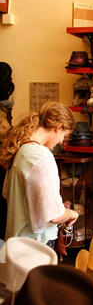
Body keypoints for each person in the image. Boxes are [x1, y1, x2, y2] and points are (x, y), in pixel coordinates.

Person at [0, 101, 79, 247]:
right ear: (59, 127)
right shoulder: (41, 156)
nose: (62, 142)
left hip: (15, 242)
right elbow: (53, 216)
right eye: (64, 135)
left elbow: (8, 194)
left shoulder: (22, 150)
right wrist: (70, 213)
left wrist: (58, 206)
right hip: (35, 244)